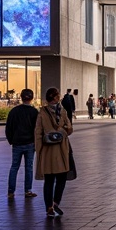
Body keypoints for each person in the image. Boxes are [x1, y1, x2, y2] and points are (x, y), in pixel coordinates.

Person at [34, 87, 74, 216]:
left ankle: (49, 207)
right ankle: (55, 202)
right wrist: (62, 130)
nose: (60, 97)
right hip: (61, 150)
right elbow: (69, 129)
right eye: (58, 95)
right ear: (55, 97)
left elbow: (38, 133)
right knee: (61, 178)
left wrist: (38, 150)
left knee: (49, 180)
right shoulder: (62, 111)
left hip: (47, 151)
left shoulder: (42, 112)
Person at [5, 89, 39, 199]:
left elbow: (8, 128)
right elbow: (37, 129)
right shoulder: (34, 112)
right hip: (30, 143)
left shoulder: (14, 111)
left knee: (14, 166)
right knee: (28, 167)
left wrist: (11, 140)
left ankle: (11, 191)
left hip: (17, 143)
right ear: (32, 98)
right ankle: (28, 190)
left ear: (21, 97)